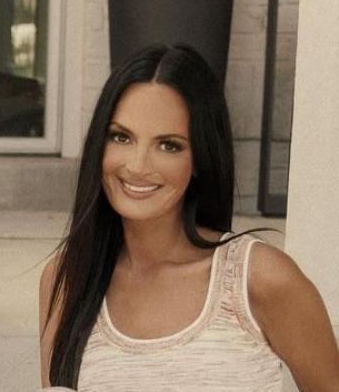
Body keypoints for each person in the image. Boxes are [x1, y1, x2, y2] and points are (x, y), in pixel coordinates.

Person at [39, 45, 339, 391]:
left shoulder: (261, 278)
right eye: (121, 137)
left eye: (169, 145)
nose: (137, 166)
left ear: (199, 159)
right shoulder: (67, 279)